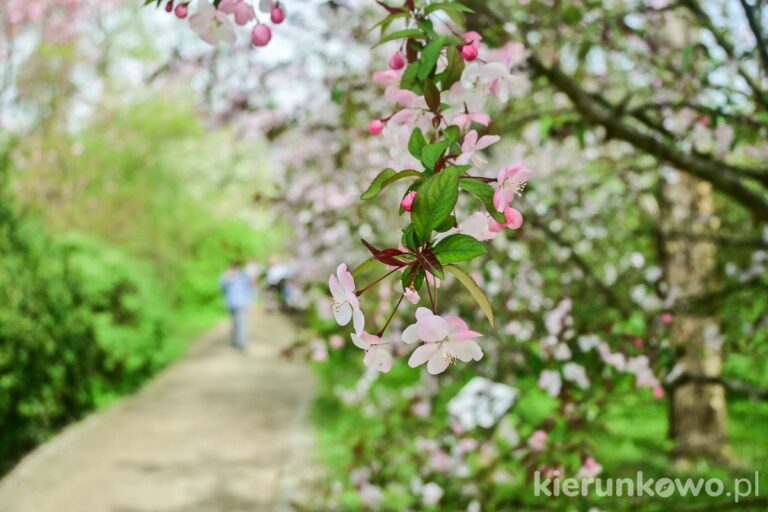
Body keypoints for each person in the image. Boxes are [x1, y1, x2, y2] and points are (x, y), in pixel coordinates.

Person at [220, 260, 254, 350]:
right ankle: (234, 341)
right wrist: (228, 278)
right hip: (231, 303)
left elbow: (249, 289)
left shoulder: (243, 276)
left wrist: (249, 302)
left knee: (241, 324)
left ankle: (242, 343)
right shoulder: (226, 276)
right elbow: (221, 287)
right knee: (234, 323)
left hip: (241, 303)